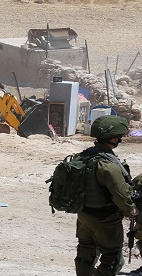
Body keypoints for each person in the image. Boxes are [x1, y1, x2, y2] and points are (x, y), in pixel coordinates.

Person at [72, 115, 136, 276]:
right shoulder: (108, 165)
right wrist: (131, 210)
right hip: (105, 219)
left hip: (83, 215)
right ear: (114, 139)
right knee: (113, 259)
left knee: (85, 252)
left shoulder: (83, 157)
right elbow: (121, 194)